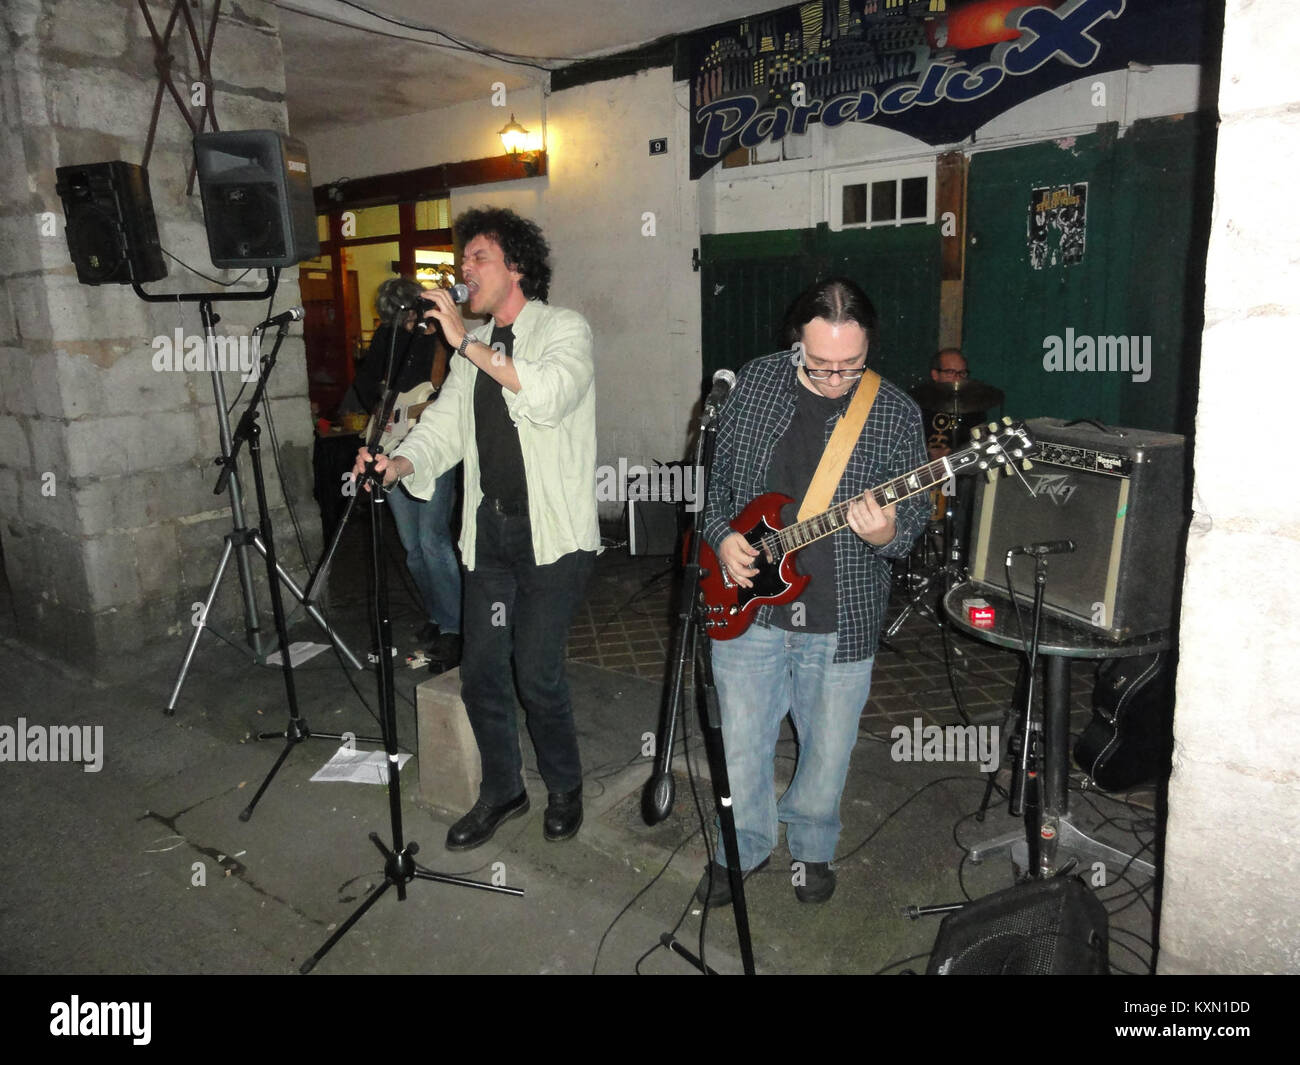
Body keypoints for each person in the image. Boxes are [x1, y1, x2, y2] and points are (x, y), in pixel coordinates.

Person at [352, 208, 598, 849]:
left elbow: (545, 396)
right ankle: (502, 789)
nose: (464, 271)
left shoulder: (563, 330)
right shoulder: (469, 356)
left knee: (537, 673)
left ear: (516, 266)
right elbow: (444, 428)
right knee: (485, 670)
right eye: (463, 262)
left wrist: (465, 342)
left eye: (478, 259)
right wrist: (399, 458)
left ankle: (565, 784)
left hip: (550, 541)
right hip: (489, 539)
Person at [698, 277, 928, 905]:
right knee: (742, 742)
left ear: (868, 348)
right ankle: (743, 844)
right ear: (795, 342)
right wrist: (722, 538)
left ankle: (813, 847)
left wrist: (886, 533)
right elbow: (713, 490)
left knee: (828, 753)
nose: (833, 380)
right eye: (819, 364)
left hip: (839, 615)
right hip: (747, 609)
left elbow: (913, 528)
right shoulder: (755, 385)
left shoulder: (895, 412)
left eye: (849, 367)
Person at [347, 278, 462, 669]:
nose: (403, 321)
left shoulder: (440, 338)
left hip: (431, 449)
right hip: (391, 447)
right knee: (413, 548)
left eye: (408, 313)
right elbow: (364, 384)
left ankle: (455, 627)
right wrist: (383, 399)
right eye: (396, 316)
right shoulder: (388, 337)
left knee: (434, 542)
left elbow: (454, 390)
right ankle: (437, 614)